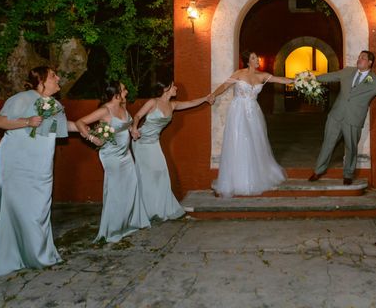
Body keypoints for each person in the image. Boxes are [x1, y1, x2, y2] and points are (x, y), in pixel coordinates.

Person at [0, 66, 78, 276]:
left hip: (40, 165)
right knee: (19, 209)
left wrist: (89, 130)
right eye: (53, 76)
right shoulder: (21, 98)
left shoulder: (55, 105)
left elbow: (64, 127)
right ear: (41, 81)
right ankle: (26, 255)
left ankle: (34, 251)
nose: (58, 78)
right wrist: (27, 121)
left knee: (38, 209)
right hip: (16, 162)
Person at [308, 50, 376, 185]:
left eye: (363, 58)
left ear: (370, 62)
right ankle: (318, 171)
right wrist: (309, 78)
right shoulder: (347, 72)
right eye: (359, 57)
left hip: (353, 119)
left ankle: (348, 174)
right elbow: (329, 76)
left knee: (351, 147)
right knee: (327, 143)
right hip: (336, 115)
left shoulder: (375, 81)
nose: (359, 59)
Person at [76, 81, 150, 243]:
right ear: (116, 93)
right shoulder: (105, 110)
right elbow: (80, 122)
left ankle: (130, 222)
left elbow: (127, 125)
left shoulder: (123, 107)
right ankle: (113, 229)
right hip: (111, 155)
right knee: (116, 191)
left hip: (126, 154)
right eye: (124, 90)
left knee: (131, 187)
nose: (127, 92)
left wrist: (133, 131)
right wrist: (92, 138)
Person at [211, 51, 292, 198]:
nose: (257, 60)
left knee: (255, 142)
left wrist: (297, 80)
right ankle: (237, 180)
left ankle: (255, 177)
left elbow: (279, 79)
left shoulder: (262, 76)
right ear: (248, 61)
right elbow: (224, 86)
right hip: (238, 112)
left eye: (257, 58)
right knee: (240, 141)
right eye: (254, 58)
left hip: (254, 112)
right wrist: (213, 95)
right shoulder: (239, 74)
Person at [131, 80, 213, 221]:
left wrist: (206, 99)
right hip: (141, 142)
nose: (176, 88)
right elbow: (137, 116)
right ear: (166, 88)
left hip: (154, 143)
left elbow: (191, 102)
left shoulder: (173, 105)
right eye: (173, 86)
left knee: (161, 174)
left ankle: (161, 208)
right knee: (146, 175)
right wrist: (133, 129)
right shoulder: (153, 102)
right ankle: (146, 210)